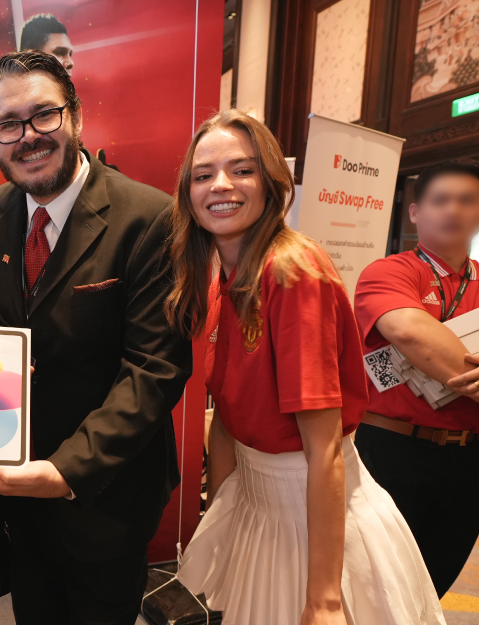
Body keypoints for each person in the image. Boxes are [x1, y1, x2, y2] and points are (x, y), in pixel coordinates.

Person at [170, 109, 444, 625]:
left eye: (242, 170)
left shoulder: (292, 272)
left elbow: (324, 449)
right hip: (257, 509)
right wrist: (223, 519)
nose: (220, 185)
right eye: (203, 175)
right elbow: (227, 418)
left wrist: (324, 598)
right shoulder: (220, 277)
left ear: (272, 183)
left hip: (312, 519)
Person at [0, 51, 192, 625]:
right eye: (8, 125)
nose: (28, 137)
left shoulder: (149, 217)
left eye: (44, 115)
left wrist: (65, 472)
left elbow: (154, 370)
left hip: (106, 495)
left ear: (77, 116)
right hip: (18, 492)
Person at [353, 158, 479, 596]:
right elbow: (413, 335)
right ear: (416, 212)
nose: (453, 210)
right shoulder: (391, 272)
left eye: (467, 200)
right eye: (440, 200)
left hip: (471, 457)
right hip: (391, 449)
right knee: (373, 584)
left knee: (434, 583)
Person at [0, 13, 76, 200]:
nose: (69, 62)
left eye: (45, 115)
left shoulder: (66, 106)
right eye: (10, 124)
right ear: (31, 54)